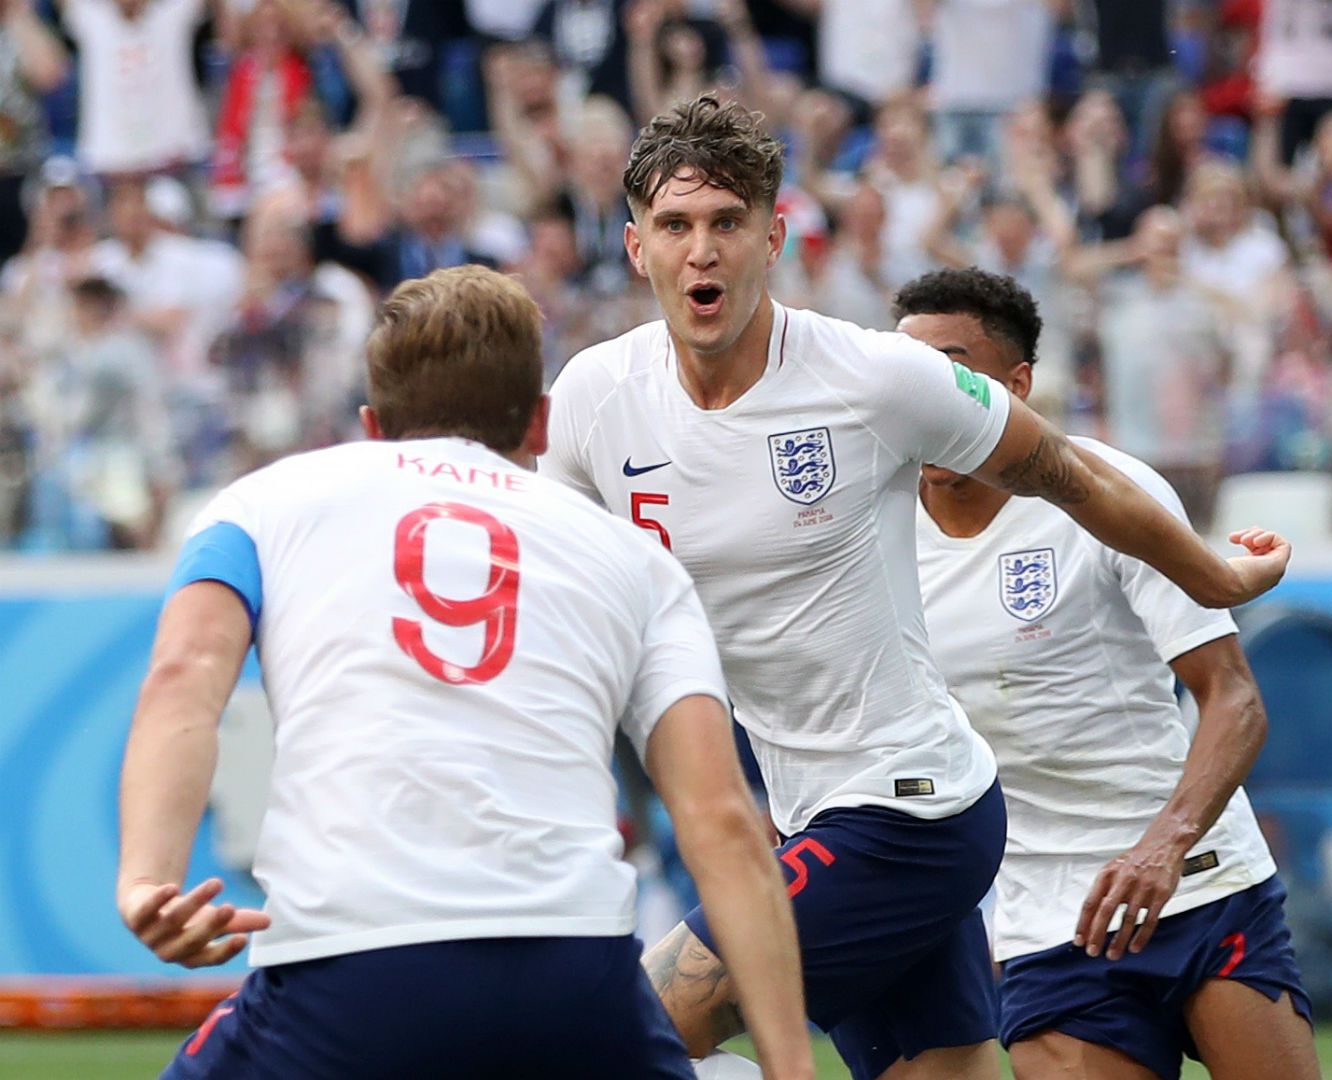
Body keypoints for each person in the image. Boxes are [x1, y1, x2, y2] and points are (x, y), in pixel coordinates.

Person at [540, 94, 1293, 1080]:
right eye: (676, 226)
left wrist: (1215, 570)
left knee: (630, 1025)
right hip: (813, 813)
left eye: (727, 223)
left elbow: (1072, 473)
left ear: (774, 236)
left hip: (913, 813)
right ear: (637, 246)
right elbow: (565, 601)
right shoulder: (596, 399)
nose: (702, 251)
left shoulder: (872, 378)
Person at [117, 266, 811, 1079]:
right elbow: (722, 821)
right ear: (542, 425)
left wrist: (147, 881)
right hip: (575, 976)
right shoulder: (638, 562)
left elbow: (182, 677)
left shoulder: (260, 505)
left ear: (373, 426)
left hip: (350, 971)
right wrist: (793, 1066)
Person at [897, 267, 1318, 1080]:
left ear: (1016, 386)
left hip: (1198, 881)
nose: (929, 402)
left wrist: (1162, 846)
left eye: (954, 372)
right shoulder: (872, 528)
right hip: (1052, 920)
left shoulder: (1105, 493)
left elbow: (1235, 699)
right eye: (911, 377)